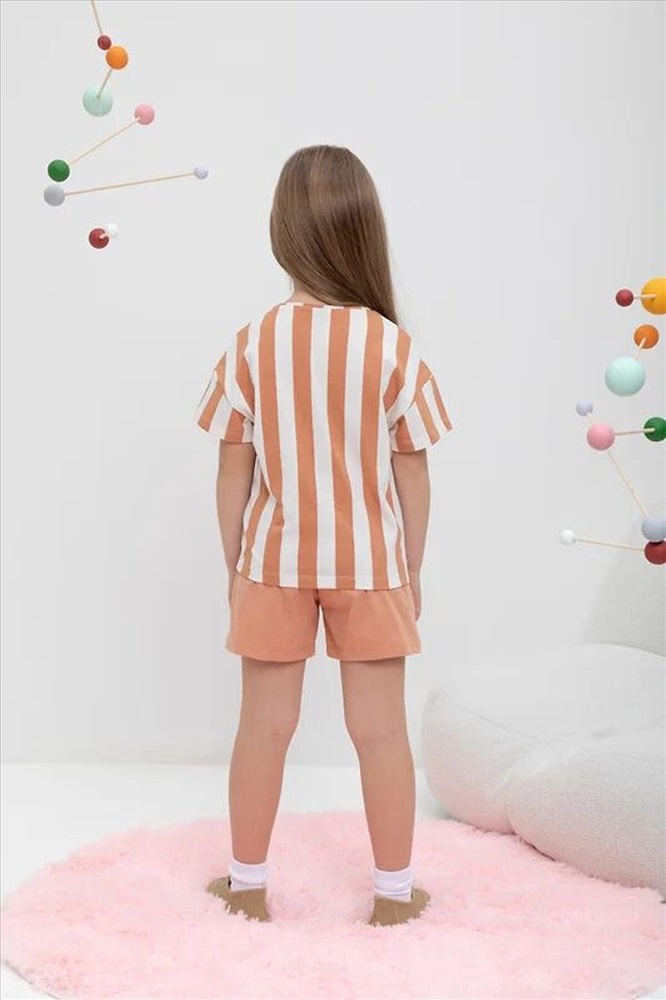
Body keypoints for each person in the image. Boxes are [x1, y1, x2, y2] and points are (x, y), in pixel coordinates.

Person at [196, 145, 451, 927]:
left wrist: (236, 564)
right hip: (370, 564)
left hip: (274, 560)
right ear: (363, 230)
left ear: (281, 232)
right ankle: (395, 898)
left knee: (262, 730)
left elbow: (232, 470)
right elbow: (413, 471)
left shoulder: (252, 342)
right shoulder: (391, 345)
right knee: (381, 735)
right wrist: (410, 567)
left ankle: (246, 886)